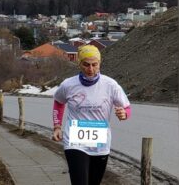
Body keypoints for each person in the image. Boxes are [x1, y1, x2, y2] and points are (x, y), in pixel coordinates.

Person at [52, 45, 131, 185]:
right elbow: (58, 102)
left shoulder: (111, 85)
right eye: (86, 64)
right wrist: (57, 126)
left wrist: (124, 114)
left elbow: (126, 107)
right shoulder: (68, 85)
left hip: (100, 144)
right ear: (79, 64)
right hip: (74, 142)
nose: (91, 69)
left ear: (100, 63)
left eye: (95, 65)